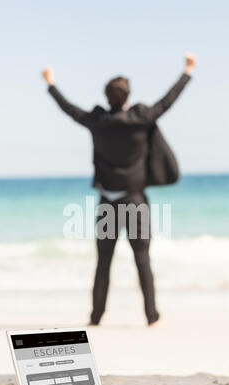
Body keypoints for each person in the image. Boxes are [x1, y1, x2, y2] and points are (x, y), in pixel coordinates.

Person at [42, 53, 196, 327]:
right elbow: (168, 101)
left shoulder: (96, 122)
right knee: (142, 260)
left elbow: (69, 109)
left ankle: (96, 318)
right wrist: (187, 71)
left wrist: (51, 84)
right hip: (134, 201)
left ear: (107, 97)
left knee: (103, 262)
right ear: (127, 97)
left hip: (107, 202)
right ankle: (151, 316)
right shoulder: (142, 118)